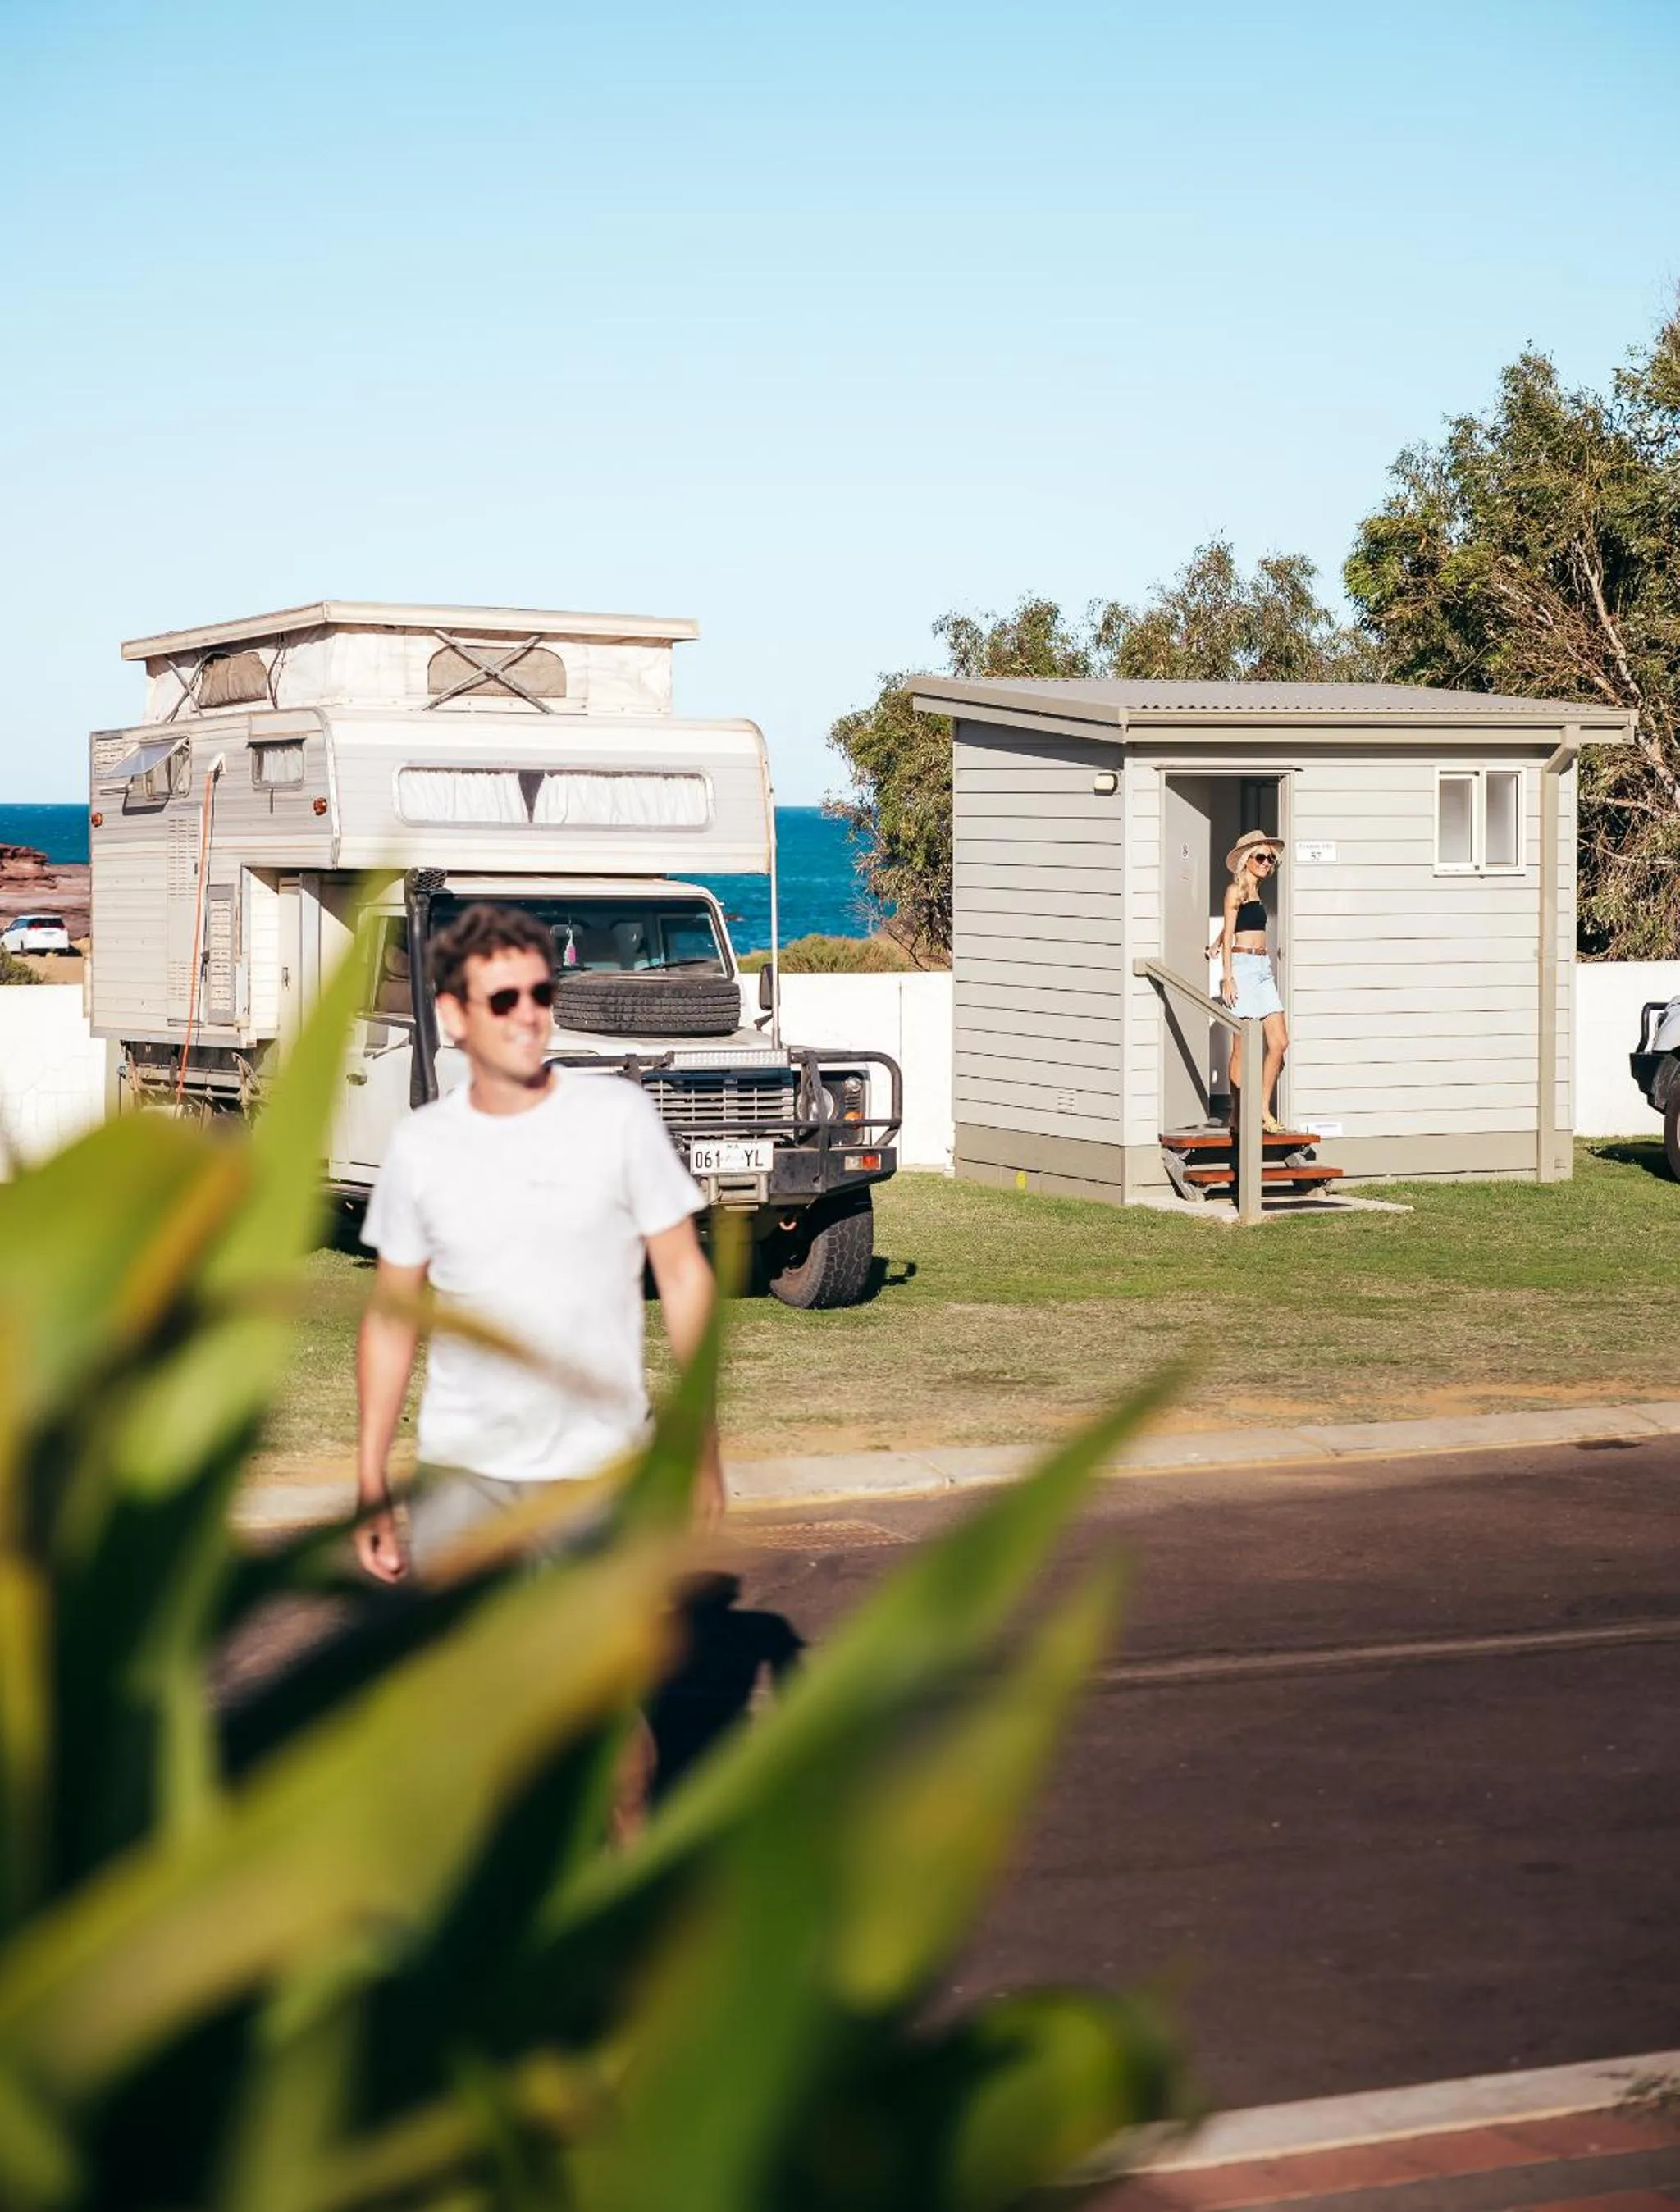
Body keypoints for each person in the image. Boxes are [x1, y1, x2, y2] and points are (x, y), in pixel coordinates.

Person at [354, 901, 722, 1584]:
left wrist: (702, 1445)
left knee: (600, 1691)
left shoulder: (620, 1118)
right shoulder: (420, 1147)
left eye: (541, 992)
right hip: (463, 1478)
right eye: (503, 998)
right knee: (465, 1689)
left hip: (602, 1474)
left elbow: (683, 1277)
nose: (528, 1013)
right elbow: (390, 1314)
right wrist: (370, 1475)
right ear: (454, 1015)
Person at [1212, 828, 1289, 1133]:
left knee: (1280, 1042)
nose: (1267, 862)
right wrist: (1227, 976)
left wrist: (1216, 941)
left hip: (1263, 969)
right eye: (1261, 857)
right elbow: (1231, 932)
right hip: (1243, 968)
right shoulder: (1236, 890)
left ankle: (1261, 1108)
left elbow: (1237, 924)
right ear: (1247, 860)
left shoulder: (1256, 893)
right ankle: (1237, 1114)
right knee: (1241, 1047)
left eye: (1270, 859)